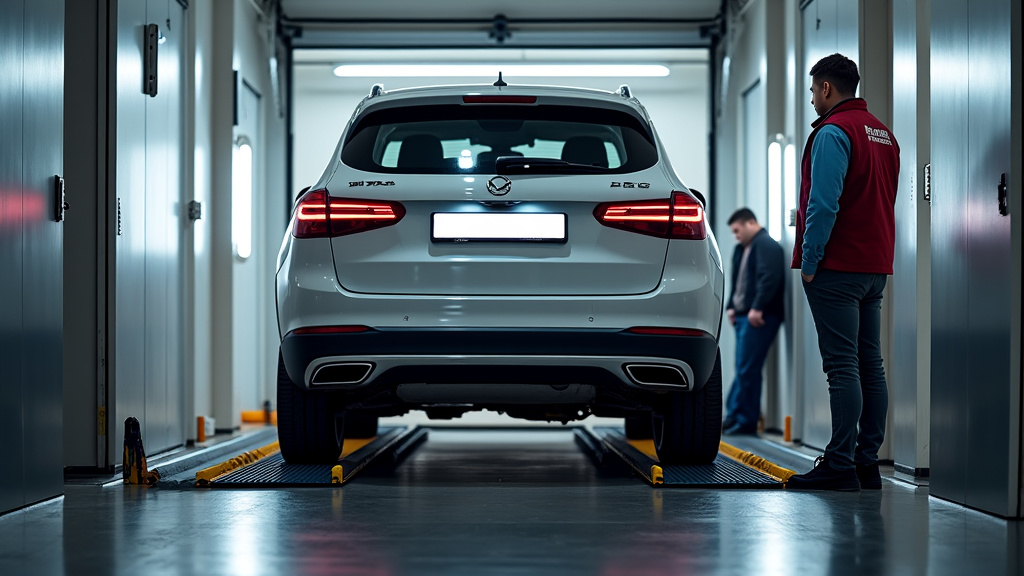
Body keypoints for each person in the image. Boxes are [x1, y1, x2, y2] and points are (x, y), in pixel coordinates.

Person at [786, 54, 900, 491]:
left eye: (814, 90)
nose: (813, 99)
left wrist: (811, 261)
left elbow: (823, 203)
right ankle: (866, 463)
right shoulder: (884, 135)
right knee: (871, 364)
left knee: (841, 366)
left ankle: (839, 464)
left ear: (827, 89)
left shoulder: (833, 132)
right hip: (874, 266)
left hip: (837, 266)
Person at [722, 208, 785, 436]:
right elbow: (736, 281)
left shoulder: (766, 245)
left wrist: (757, 307)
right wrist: (731, 305)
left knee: (748, 368)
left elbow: (769, 278)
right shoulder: (741, 249)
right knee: (743, 367)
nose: (736, 236)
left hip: (759, 316)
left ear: (750, 223)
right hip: (742, 315)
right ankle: (734, 415)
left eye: (737, 230)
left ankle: (745, 422)